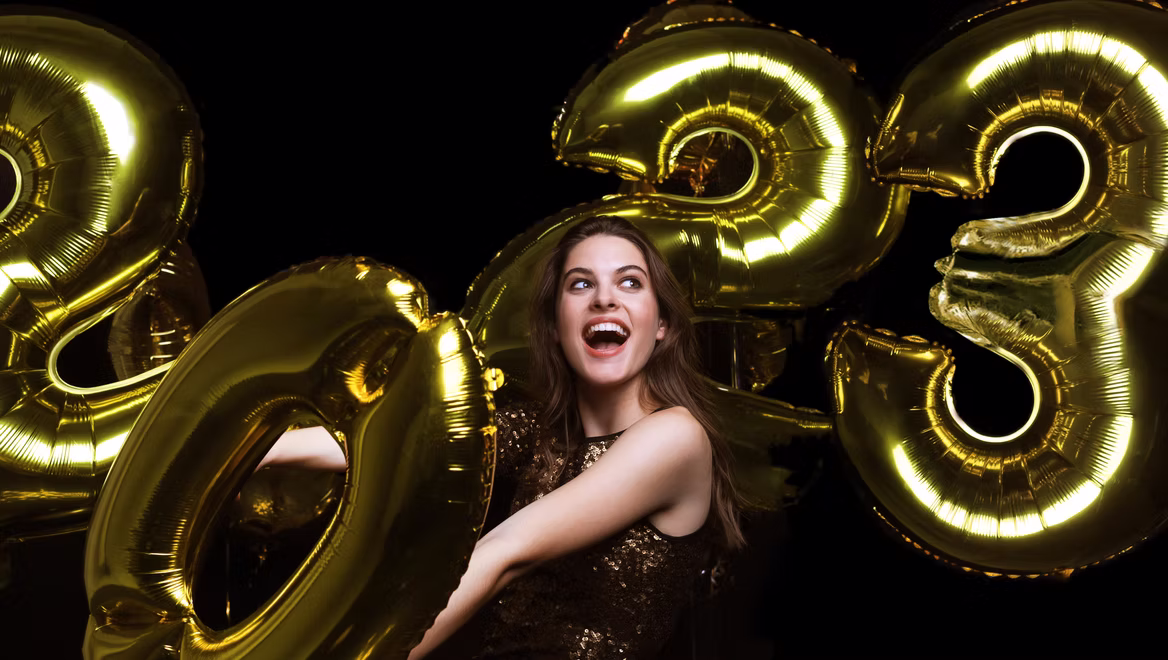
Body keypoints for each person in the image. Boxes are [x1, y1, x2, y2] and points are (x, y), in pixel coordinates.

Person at [263, 216, 744, 658]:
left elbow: (504, 554)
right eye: (581, 284)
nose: (604, 298)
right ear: (555, 326)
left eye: (630, 282)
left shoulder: (676, 438)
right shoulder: (536, 431)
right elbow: (389, 443)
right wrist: (255, 447)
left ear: (661, 325)